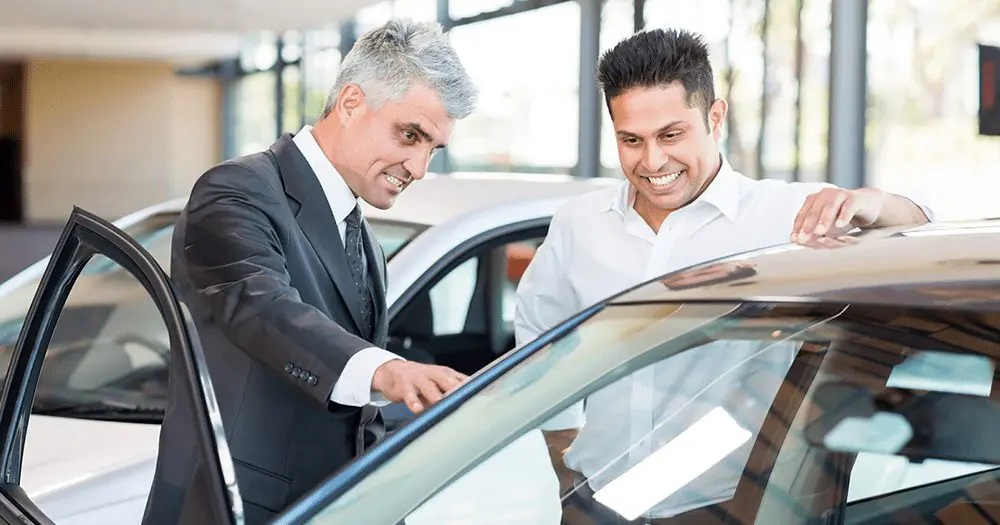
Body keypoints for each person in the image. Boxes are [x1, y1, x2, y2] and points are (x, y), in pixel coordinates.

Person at [513, 28, 934, 523]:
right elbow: (540, 342)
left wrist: (870, 202)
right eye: (631, 140)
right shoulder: (579, 224)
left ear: (715, 116)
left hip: (727, 507)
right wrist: (565, 459)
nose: (652, 162)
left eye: (671, 135)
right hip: (596, 502)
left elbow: (926, 229)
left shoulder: (786, 217)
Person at [142, 19, 478, 524]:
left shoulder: (360, 232)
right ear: (349, 103)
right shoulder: (235, 189)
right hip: (232, 507)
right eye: (410, 135)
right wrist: (385, 370)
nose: (419, 166)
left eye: (432, 148)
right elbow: (262, 307)